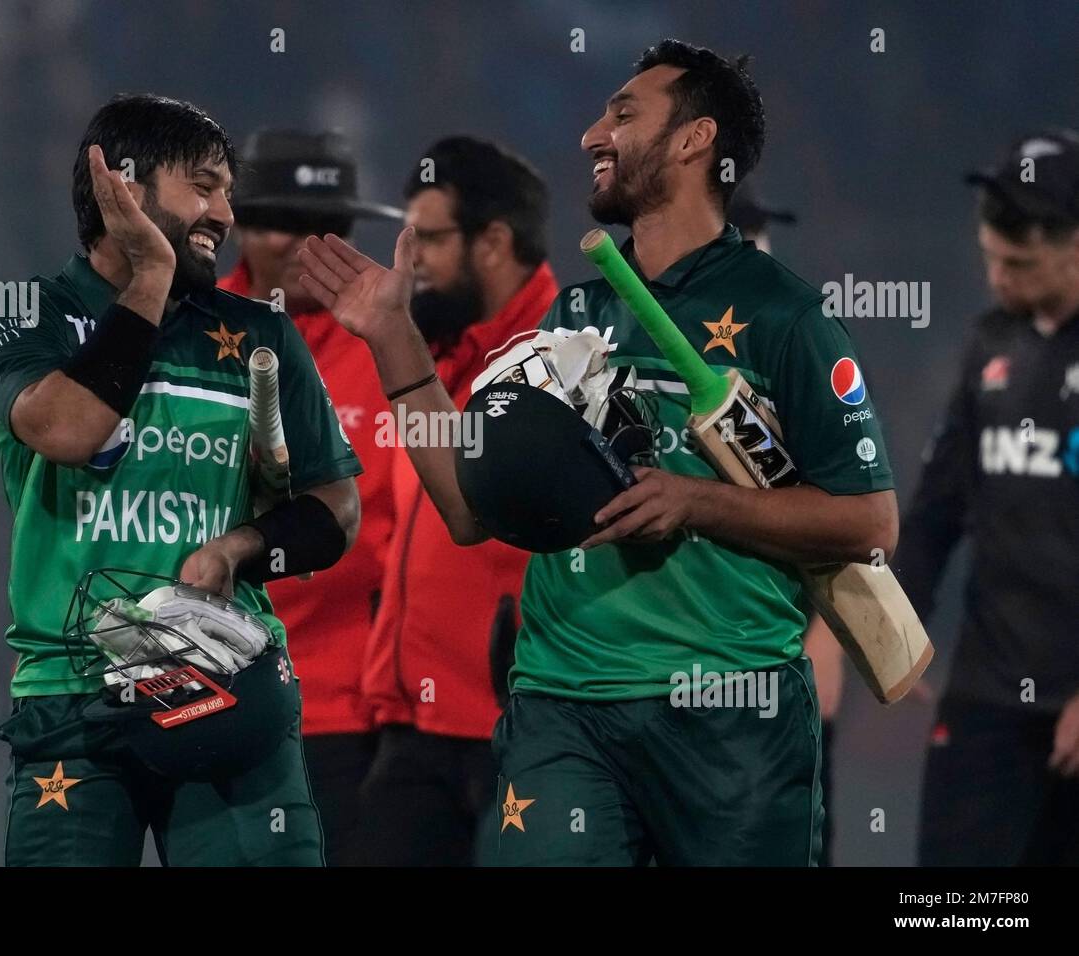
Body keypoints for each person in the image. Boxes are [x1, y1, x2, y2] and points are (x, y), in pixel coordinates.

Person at [300, 39, 899, 865]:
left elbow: (871, 523)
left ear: (695, 141)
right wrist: (395, 339)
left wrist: (696, 501)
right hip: (563, 704)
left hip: (732, 716)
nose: (591, 134)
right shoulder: (575, 312)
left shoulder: (788, 318)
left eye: (623, 114)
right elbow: (471, 511)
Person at [0, 94, 361, 866]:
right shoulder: (32, 319)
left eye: (228, 189)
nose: (225, 209)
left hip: (225, 686)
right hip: (73, 693)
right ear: (122, 186)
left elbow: (335, 510)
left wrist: (241, 547)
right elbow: (69, 430)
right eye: (204, 186)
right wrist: (150, 272)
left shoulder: (259, 333)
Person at [357, 136, 558, 865]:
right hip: (411, 730)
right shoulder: (430, 354)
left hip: (521, 732)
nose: (413, 264)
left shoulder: (566, 355)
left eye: (432, 239)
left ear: (494, 242)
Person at [219, 129, 402, 865]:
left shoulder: (397, 347)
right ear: (237, 223)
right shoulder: (183, 331)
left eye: (326, 228)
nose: (305, 246)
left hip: (350, 708)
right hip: (213, 695)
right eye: (281, 223)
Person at [904, 129, 1079, 866]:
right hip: (986, 694)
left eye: (1021, 264)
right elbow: (938, 509)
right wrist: (895, 626)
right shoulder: (987, 346)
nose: (1000, 278)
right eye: (991, 260)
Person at [729, 180, 841, 867]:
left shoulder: (802, 357)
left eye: (765, 242)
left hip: (782, 651)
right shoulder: (635, 358)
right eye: (747, 242)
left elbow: (851, 504)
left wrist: (829, 627)